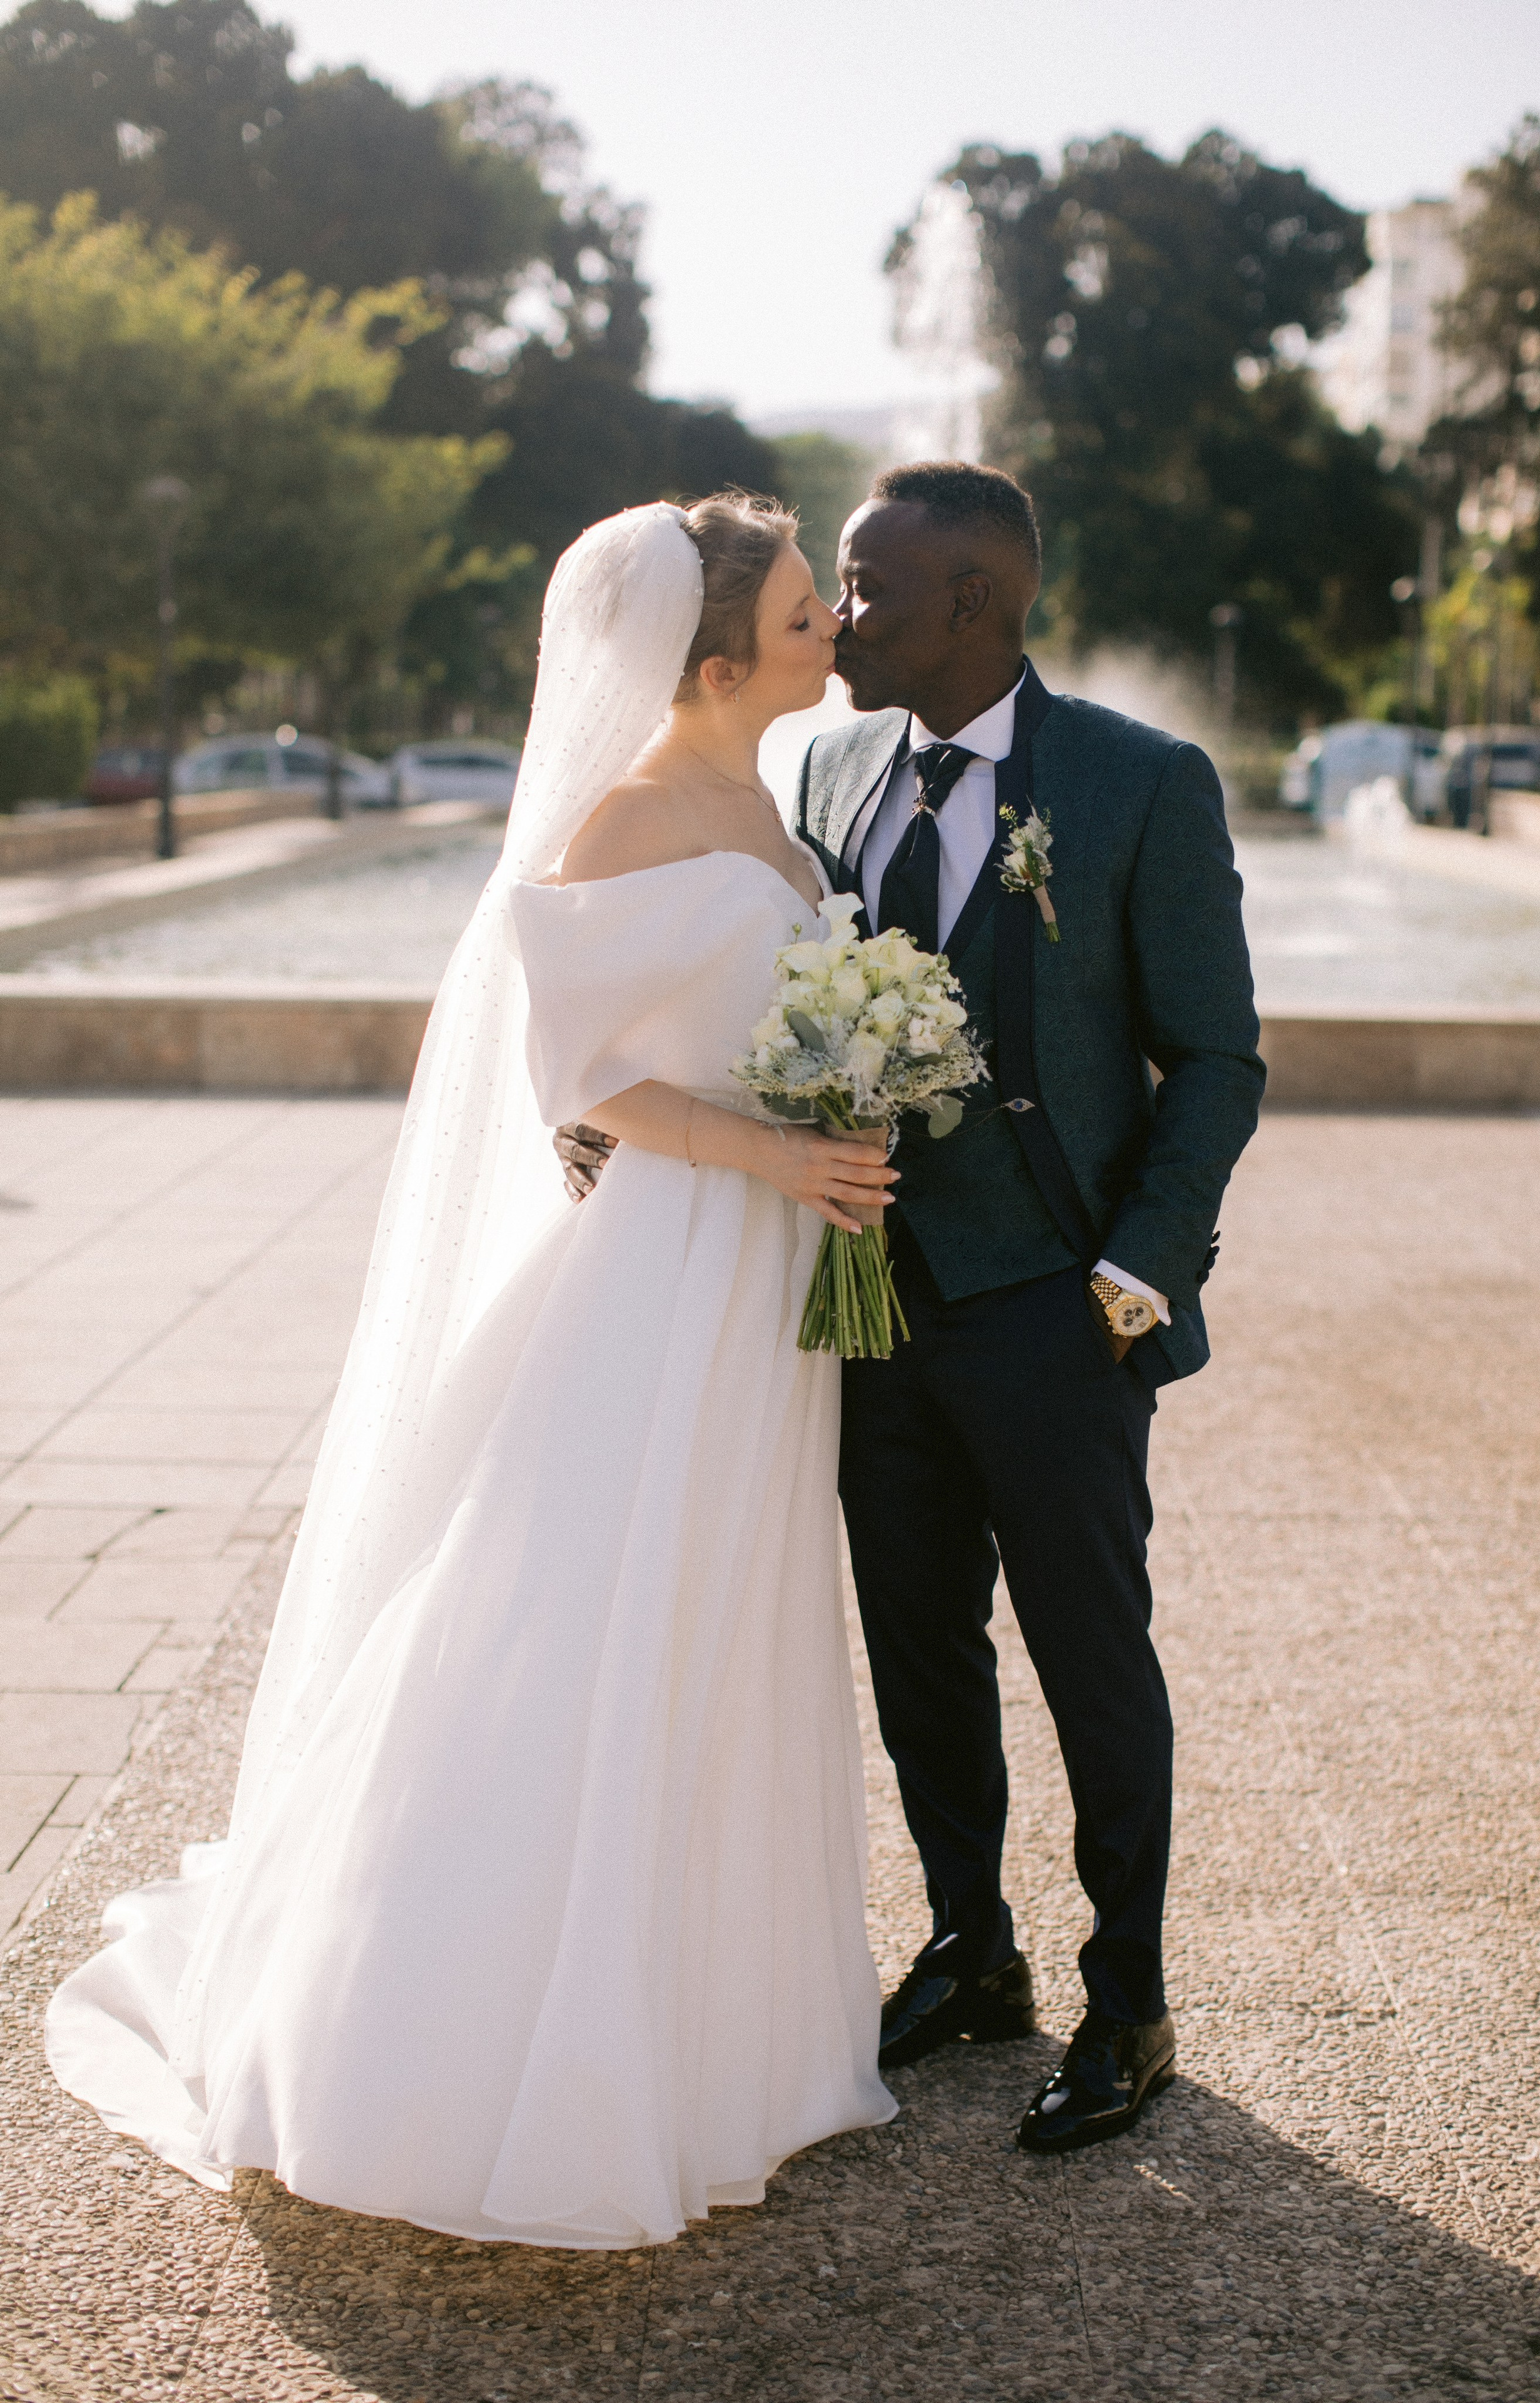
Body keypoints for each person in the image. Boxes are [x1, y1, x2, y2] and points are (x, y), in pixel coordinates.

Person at [44, 496, 899, 2248]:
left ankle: (727, 2037)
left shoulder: (782, 804)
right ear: (715, 663)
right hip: (673, 1259)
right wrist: (776, 1155)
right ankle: (480, 2040)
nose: (835, 628)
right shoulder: (621, 820)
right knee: (599, 1606)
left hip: (773, 1272)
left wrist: (849, 1111)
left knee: (727, 1604)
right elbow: (583, 1081)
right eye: (807, 611)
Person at [561, 461, 1262, 2155]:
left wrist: (1139, 1266)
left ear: (976, 602)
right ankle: (973, 1949)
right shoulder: (827, 768)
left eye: (867, 588)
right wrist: (637, 1115)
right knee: (918, 1644)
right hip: (868, 1301)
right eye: (833, 589)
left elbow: (1217, 1058)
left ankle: (1130, 1999)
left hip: (1057, 1304)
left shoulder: (1141, 781)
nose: (843, 615)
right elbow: (751, 998)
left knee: (1091, 1654)